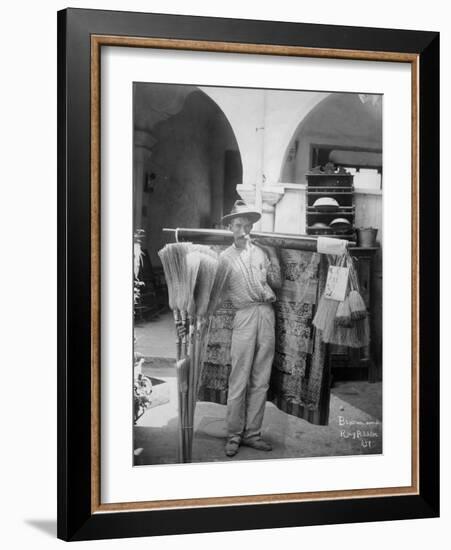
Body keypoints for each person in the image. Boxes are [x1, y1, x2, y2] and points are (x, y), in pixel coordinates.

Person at [220, 200, 282, 457]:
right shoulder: (224, 258)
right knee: (239, 378)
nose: (243, 230)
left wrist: (274, 254)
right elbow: (218, 294)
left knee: (261, 379)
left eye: (247, 225)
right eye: (237, 225)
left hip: (266, 314)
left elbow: (276, 283)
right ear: (230, 227)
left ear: (252, 226)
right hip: (244, 316)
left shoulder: (261, 253)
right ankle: (234, 435)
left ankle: (253, 434)